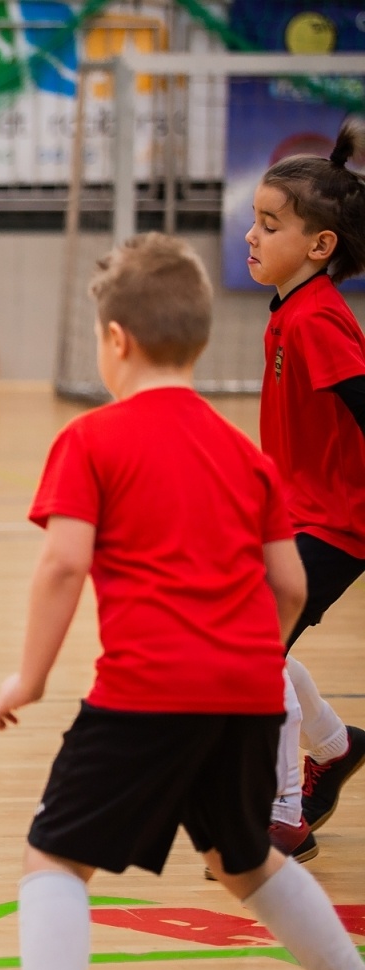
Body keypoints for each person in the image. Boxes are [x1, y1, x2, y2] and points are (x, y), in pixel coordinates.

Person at [0, 233, 365, 970]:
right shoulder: (246, 455)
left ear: (115, 341)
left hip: (147, 692)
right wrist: (250, 650)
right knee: (245, 862)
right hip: (251, 690)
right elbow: (288, 585)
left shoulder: (92, 440)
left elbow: (64, 563)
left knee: (54, 857)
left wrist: (28, 677)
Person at [246, 117, 365, 861]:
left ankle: (283, 811)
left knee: (251, 653)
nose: (252, 236)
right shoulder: (290, 309)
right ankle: (336, 743)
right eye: (253, 221)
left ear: (320, 246)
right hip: (294, 517)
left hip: (333, 526)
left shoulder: (319, 321)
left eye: (270, 225)